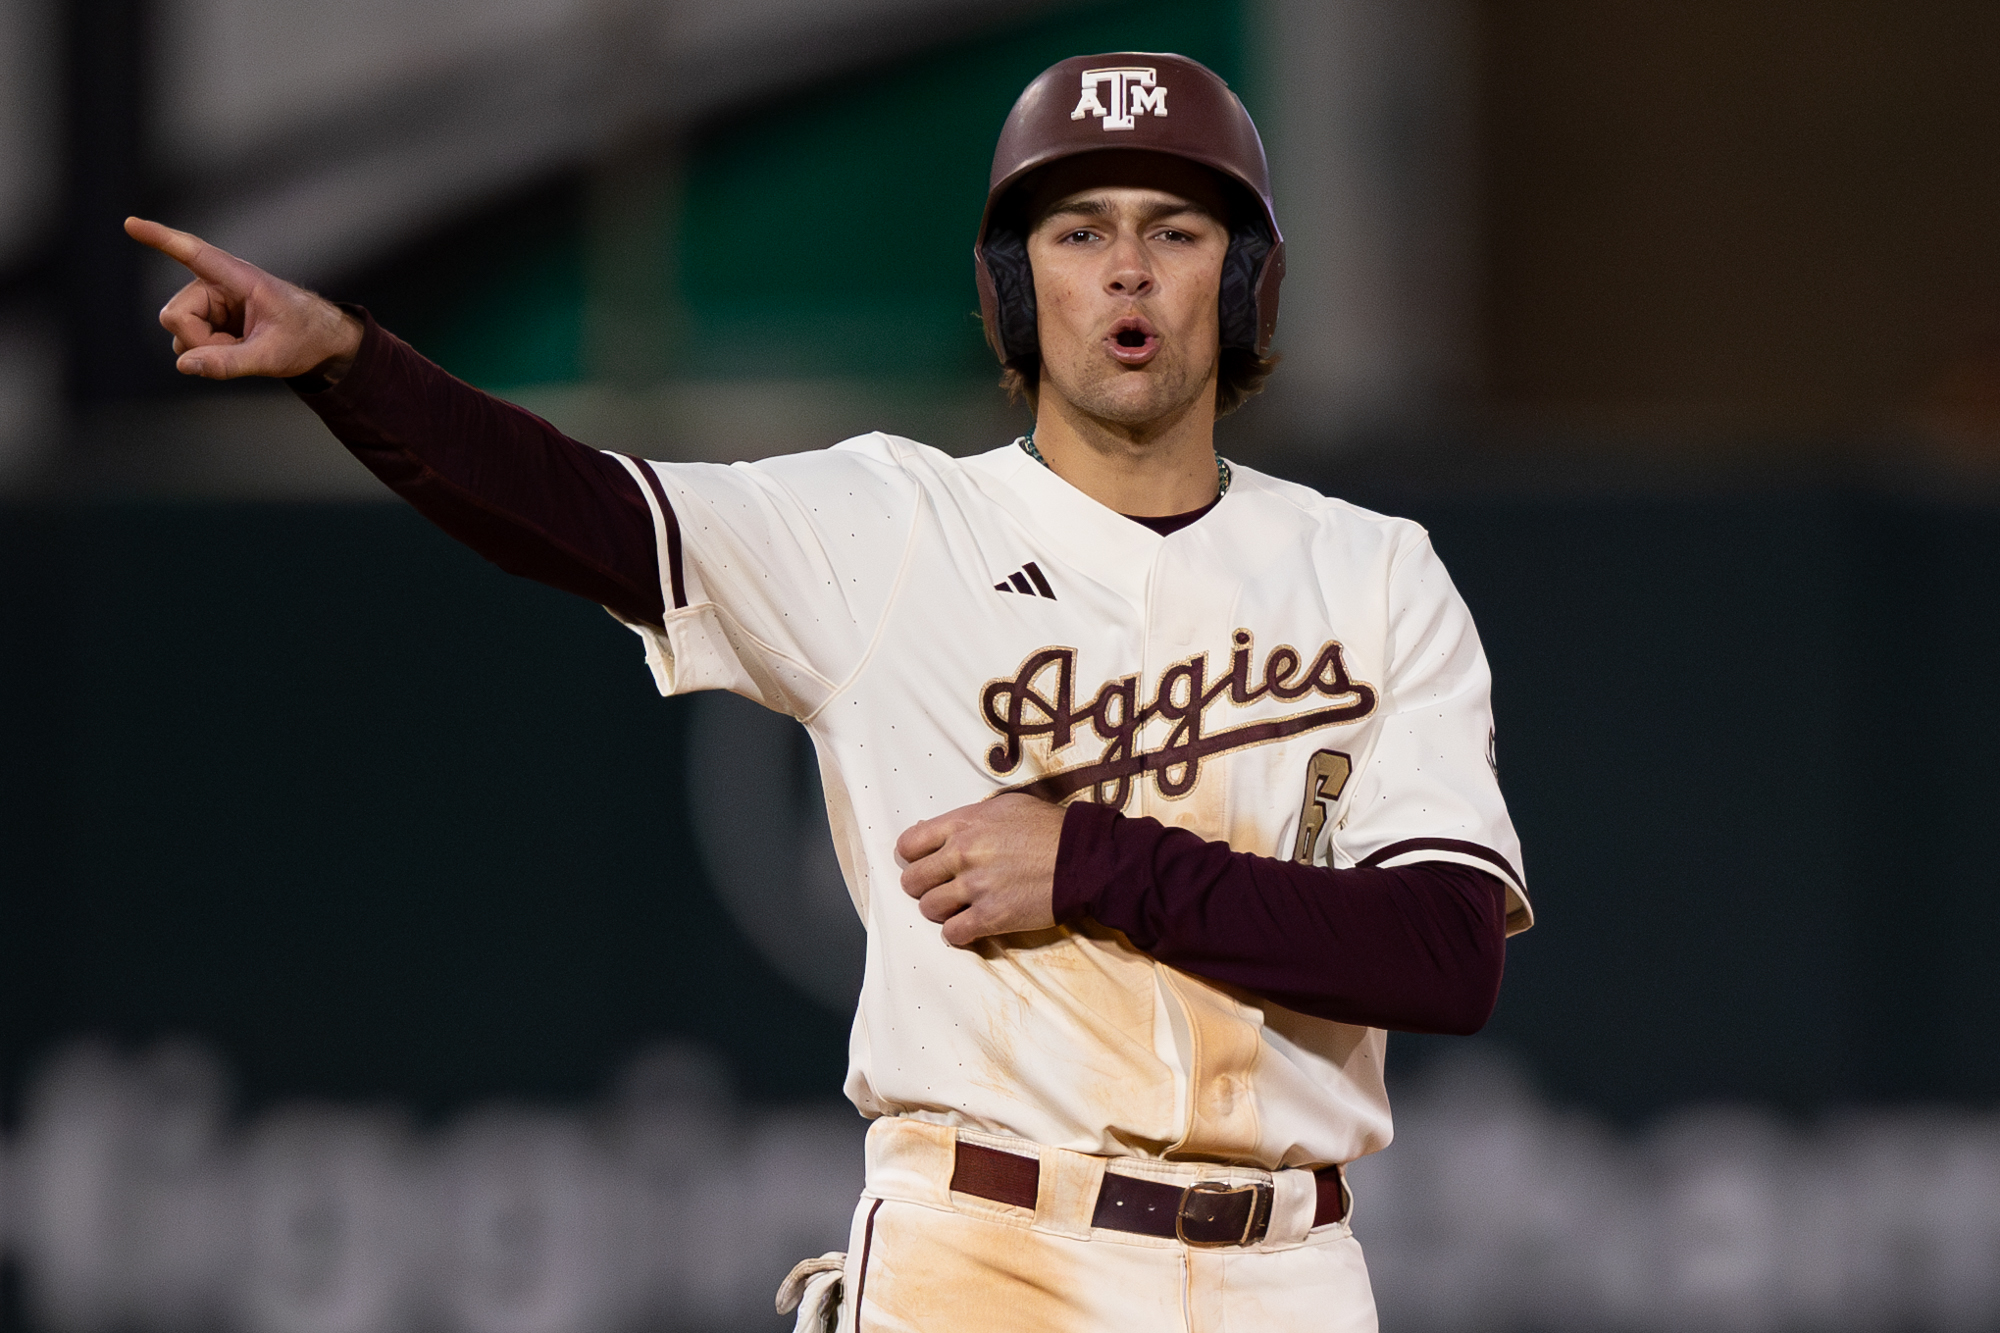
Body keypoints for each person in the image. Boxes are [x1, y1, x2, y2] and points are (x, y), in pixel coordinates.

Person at [128, 52, 1530, 1333]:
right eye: (1077, 231)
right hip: (987, 1250)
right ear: (1010, 283)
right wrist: (353, 369)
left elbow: (1443, 954)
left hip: (1287, 1270)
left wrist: (1093, 860)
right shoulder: (893, 524)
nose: (1126, 274)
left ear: (1243, 282)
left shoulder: (1371, 572)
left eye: (1174, 231)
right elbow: (583, 507)